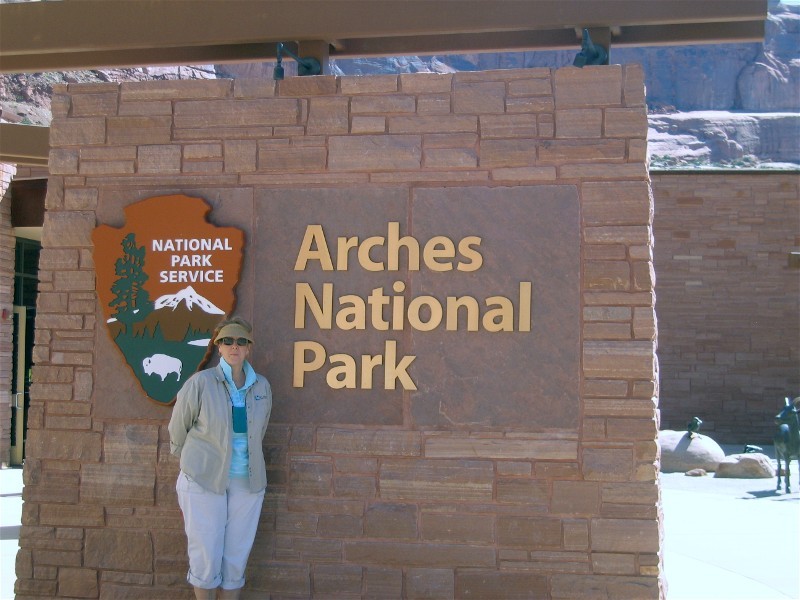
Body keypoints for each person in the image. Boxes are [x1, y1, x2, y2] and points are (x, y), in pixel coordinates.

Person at [168, 316, 272, 600]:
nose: (234, 346)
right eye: (227, 341)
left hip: (246, 482)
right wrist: (190, 462)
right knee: (206, 552)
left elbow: (259, 430)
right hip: (203, 479)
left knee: (236, 554)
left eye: (240, 341)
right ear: (218, 346)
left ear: (249, 347)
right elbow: (178, 427)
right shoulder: (201, 383)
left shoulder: (261, 386)